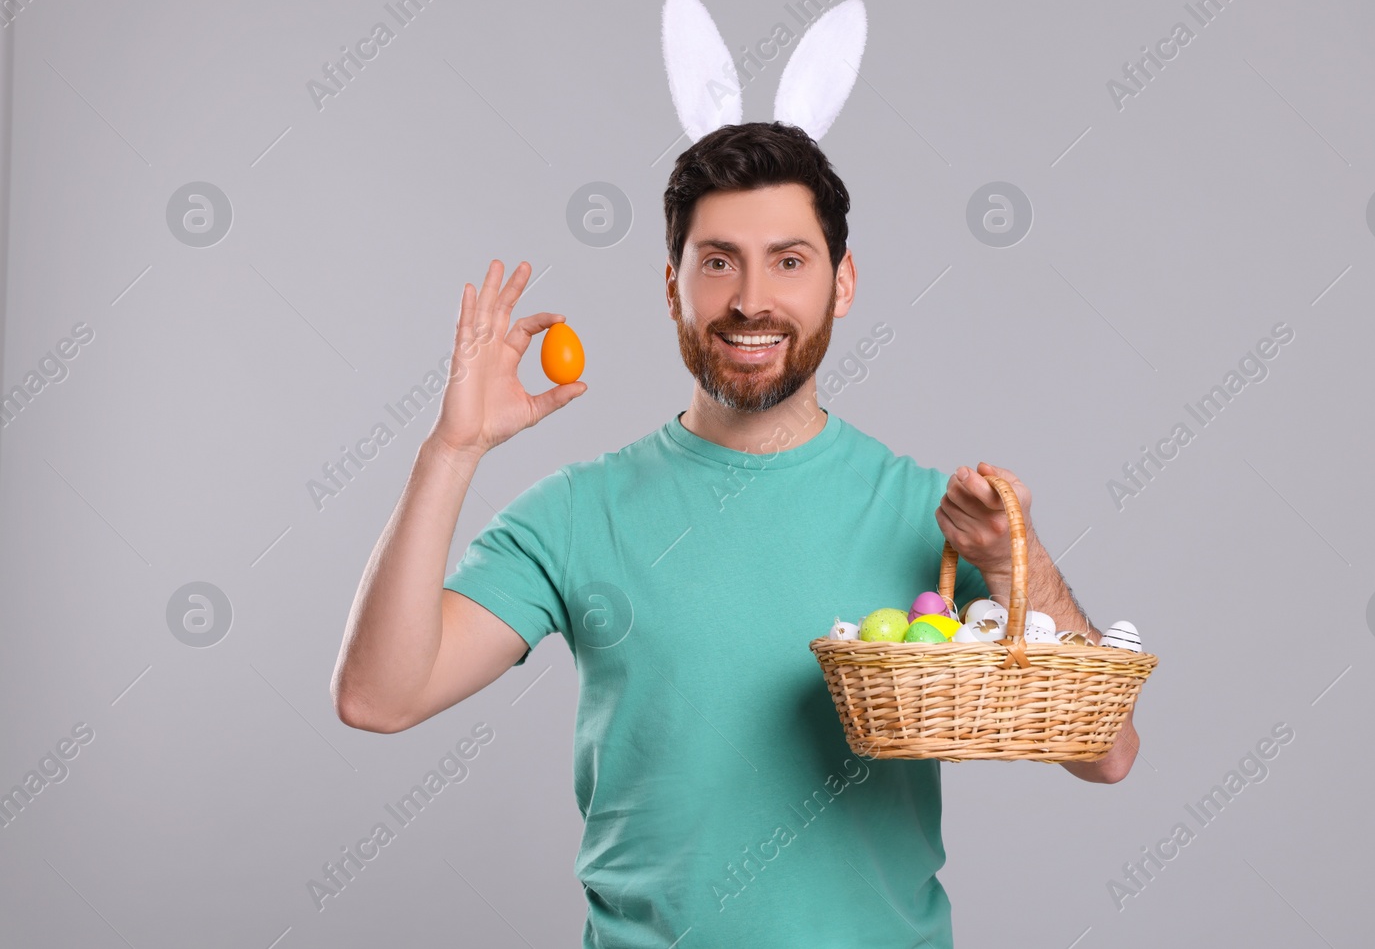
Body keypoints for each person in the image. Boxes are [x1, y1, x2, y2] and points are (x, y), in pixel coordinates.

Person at [331, 121, 1140, 948]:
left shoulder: (933, 518)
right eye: (718, 262)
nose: (752, 299)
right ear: (672, 285)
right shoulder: (577, 512)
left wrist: (1016, 563)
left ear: (843, 282)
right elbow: (378, 697)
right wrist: (452, 448)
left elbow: (1105, 754)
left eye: (789, 262)